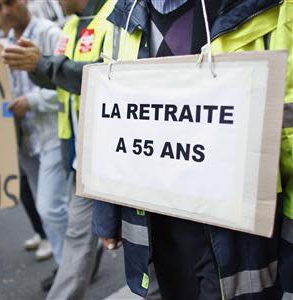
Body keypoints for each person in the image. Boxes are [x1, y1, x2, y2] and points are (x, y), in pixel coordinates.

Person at [91, 0, 293, 299]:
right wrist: (106, 211)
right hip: (158, 225)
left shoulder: (274, 7)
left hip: (240, 232)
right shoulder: (122, 12)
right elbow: (111, 120)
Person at [2, 0, 113, 298]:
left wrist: (43, 64)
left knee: (148, 245)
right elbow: (58, 78)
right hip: (81, 158)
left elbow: (103, 78)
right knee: (76, 238)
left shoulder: (117, 14)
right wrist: (35, 66)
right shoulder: (71, 26)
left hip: (117, 155)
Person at [0, 0, 70, 263]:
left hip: (51, 134)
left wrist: (32, 101)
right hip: (23, 138)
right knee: (45, 207)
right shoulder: (0, 44)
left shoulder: (50, 34)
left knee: (50, 209)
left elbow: (69, 85)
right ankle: (66, 264)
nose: (5, 11)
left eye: (9, 3)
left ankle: (72, 261)